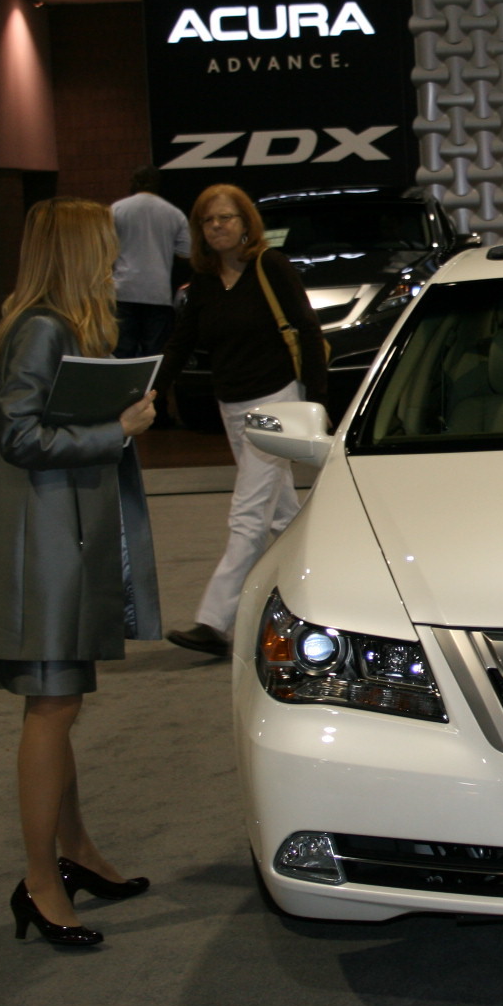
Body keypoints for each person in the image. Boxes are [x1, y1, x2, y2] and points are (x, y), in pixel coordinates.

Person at [0, 196, 161, 949]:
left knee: (60, 705)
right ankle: (42, 884)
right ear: (77, 252)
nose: (115, 259)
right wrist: (119, 427)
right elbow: (18, 434)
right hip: (43, 547)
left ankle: (74, 854)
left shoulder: (55, 324)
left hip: (56, 538)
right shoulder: (44, 329)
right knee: (50, 708)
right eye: (105, 246)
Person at [155, 183, 327, 658]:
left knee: (249, 512)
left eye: (226, 218)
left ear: (246, 223)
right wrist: (152, 391)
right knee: (280, 513)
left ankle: (214, 621)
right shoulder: (205, 281)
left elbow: (308, 330)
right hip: (231, 405)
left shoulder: (269, 266)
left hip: (277, 404)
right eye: (208, 221)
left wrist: (315, 398)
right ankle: (318, 585)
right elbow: (181, 342)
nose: (217, 227)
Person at [110, 165, 191, 360]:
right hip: (158, 294)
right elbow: (185, 253)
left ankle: (123, 390)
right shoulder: (174, 213)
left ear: (134, 182)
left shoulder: (116, 209)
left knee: (122, 354)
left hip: (123, 292)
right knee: (154, 358)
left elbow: (105, 249)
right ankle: (153, 391)